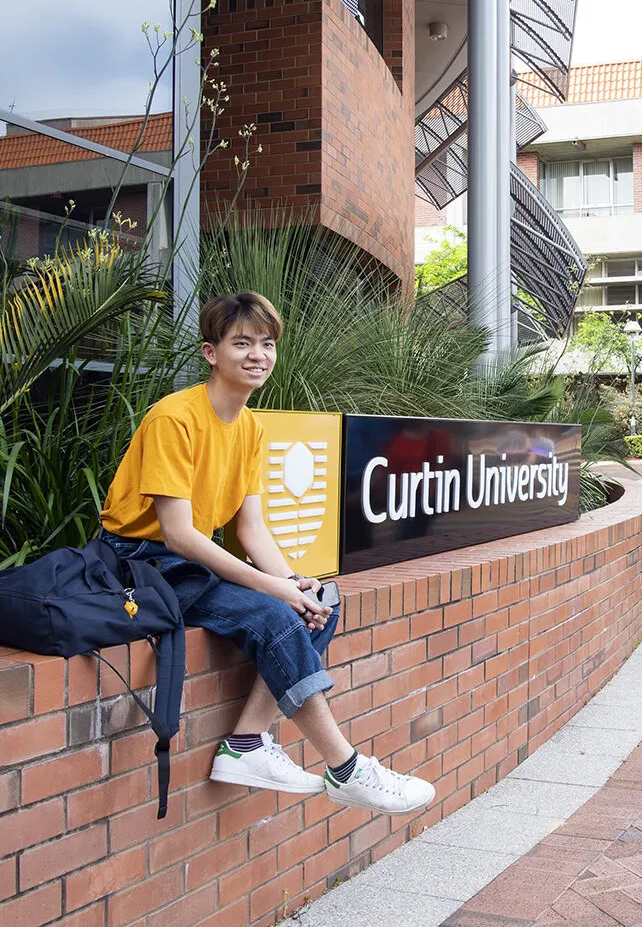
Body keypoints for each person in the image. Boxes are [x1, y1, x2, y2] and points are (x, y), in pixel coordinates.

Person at [99, 292, 435, 813]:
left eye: (267, 344)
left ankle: (246, 743)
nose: (258, 354)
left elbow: (251, 528)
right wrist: (274, 589)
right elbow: (180, 534)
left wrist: (294, 583)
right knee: (274, 616)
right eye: (242, 343)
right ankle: (346, 769)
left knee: (320, 601)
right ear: (212, 353)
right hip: (139, 561)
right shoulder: (175, 419)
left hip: (183, 561)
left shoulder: (251, 427)